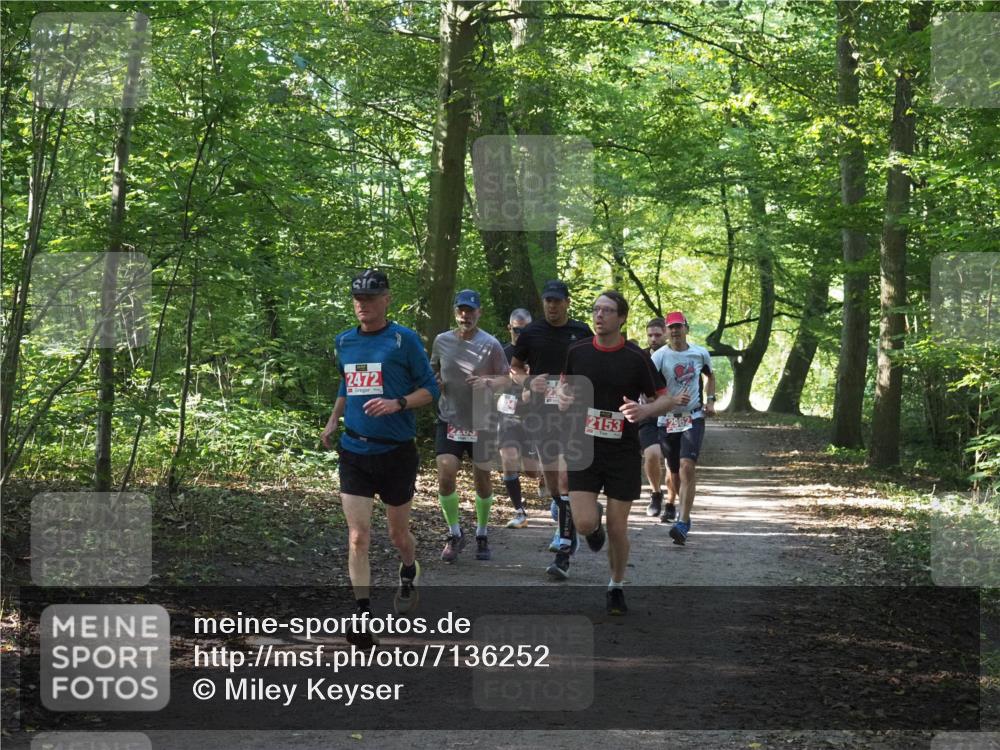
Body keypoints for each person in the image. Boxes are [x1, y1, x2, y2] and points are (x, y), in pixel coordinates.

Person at [321, 269, 439, 644]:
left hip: (396, 454)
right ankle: (362, 616)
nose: (363, 306)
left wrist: (397, 403)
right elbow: (346, 383)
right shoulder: (345, 341)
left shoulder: (403, 341)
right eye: (357, 299)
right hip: (355, 449)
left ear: (386, 299)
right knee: (358, 536)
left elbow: (430, 390)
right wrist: (332, 421)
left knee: (397, 533)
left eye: (370, 299)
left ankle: (408, 570)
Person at [558, 291, 677, 613]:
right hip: (583, 446)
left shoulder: (637, 357)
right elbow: (563, 390)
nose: (599, 316)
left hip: (622, 449)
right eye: (596, 310)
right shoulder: (577, 351)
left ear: (622, 317)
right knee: (583, 524)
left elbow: (666, 398)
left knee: (618, 527)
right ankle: (591, 529)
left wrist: (645, 411)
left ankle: (616, 585)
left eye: (607, 311)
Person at [509, 280, 593, 579]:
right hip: (541, 415)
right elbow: (515, 368)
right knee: (553, 483)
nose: (552, 306)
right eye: (548, 301)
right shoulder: (532, 333)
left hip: (574, 414)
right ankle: (575, 522)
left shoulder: (582, 332)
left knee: (566, 478)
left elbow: (594, 364)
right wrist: (530, 382)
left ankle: (565, 550)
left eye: (557, 301)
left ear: (567, 303)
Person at [431, 290, 509, 563]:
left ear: (479, 312)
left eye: (471, 310)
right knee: (445, 474)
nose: (466, 315)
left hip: (482, 421)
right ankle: (454, 533)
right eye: (462, 310)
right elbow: (434, 371)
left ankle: (482, 532)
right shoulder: (442, 341)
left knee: (482, 480)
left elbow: (506, 379)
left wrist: (487, 382)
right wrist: (436, 382)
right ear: (455, 312)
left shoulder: (491, 344)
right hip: (450, 418)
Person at [650, 311, 716, 545]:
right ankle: (678, 504)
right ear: (667, 331)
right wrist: (663, 402)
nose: (675, 331)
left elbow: (710, 376)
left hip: (693, 416)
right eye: (671, 327)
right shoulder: (659, 357)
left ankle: (684, 521)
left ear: (686, 328)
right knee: (674, 471)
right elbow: (648, 387)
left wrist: (710, 401)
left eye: (679, 327)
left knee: (688, 466)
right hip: (667, 419)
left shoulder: (699, 353)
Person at [498, 308, 543, 529]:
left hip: (534, 418)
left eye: (524, 330)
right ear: (510, 328)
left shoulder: (539, 353)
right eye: (517, 329)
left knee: (531, 471)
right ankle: (519, 511)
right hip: (508, 416)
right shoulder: (501, 354)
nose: (520, 333)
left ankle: (544, 475)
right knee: (508, 458)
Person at [638, 318, 678, 519]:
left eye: (657, 335)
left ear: (667, 333)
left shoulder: (679, 356)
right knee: (652, 455)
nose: (653, 339)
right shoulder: (641, 356)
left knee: (673, 463)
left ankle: (671, 503)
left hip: (673, 414)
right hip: (648, 414)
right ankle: (655, 493)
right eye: (650, 335)